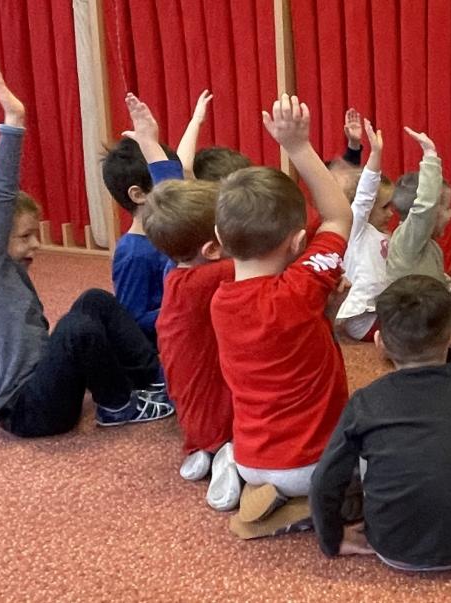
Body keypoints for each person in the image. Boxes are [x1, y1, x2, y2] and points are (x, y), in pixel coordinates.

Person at [0, 63, 173, 435]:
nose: (36, 243)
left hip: (45, 384)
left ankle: (154, 380)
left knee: (94, 301)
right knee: (77, 329)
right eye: (24, 236)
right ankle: (118, 407)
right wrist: (14, 123)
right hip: (28, 413)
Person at [311, 276, 451, 572]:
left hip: (387, 544)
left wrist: (332, 540)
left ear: (380, 344)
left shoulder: (365, 402)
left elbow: (323, 480)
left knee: (364, 455)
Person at [210, 94, 353, 539]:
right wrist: (297, 147)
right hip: (312, 461)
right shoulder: (299, 288)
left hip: (253, 455)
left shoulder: (219, 301)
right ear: (296, 243)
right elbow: (338, 215)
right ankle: (310, 506)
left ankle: (245, 479)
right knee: (384, 450)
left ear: (219, 238)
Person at [144, 177, 240, 511]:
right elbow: (261, 258)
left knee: (202, 405)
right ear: (211, 249)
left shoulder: (179, 276)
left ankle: (203, 448)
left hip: (185, 398)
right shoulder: (210, 276)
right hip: (212, 397)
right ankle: (226, 452)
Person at [102, 115, 180, 341]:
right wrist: (180, 309)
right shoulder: (134, 254)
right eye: (167, 184)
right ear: (138, 194)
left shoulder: (173, 234)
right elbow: (132, 319)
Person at [335, 117, 395, 342]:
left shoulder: (382, 234)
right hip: (362, 317)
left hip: (378, 309)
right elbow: (364, 195)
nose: (391, 213)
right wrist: (376, 154)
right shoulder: (356, 229)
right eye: (384, 207)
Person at [386, 133, 451, 285]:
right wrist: (430, 155)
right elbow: (425, 206)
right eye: (447, 208)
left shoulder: (429, 246)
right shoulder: (406, 242)